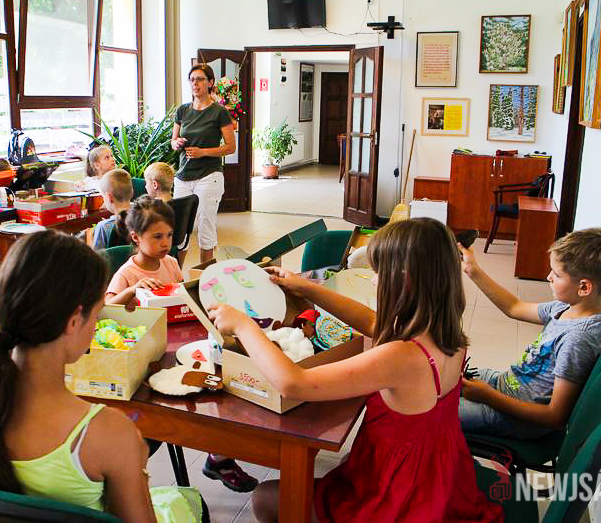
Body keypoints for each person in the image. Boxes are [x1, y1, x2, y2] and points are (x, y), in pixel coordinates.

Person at [207, 218, 502, 522]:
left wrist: (243, 326)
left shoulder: (401, 357)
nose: (374, 282)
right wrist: (307, 288)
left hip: (400, 498)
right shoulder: (445, 333)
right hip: (434, 477)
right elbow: (373, 322)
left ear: (406, 281)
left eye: (379, 273)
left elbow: (294, 383)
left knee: (264, 499)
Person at [0, 230, 204, 522]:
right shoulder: (109, 432)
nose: (97, 325)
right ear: (74, 322)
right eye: (97, 314)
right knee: (190, 501)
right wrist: (137, 472)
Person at [106, 195, 258, 493]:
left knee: (217, 384)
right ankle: (216, 456)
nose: (166, 243)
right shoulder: (127, 273)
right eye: (157, 237)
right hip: (149, 356)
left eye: (169, 235)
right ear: (136, 238)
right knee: (194, 394)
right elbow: (107, 307)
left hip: (182, 344)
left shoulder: (171, 263)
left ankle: (219, 455)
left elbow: (184, 297)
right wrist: (134, 290)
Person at [458, 228, 601, 439]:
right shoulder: (565, 308)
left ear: (584, 287)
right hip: (504, 386)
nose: (548, 277)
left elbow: (555, 416)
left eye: (557, 274)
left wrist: (488, 396)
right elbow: (514, 307)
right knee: (439, 380)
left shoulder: (578, 339)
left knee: (429, 413)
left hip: (514, 418)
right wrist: (473, 270)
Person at [170, 64, 236, 266]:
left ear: (210, 83)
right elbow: (173, 140)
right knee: (180, 229)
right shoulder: (182, 111)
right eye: (192, 79)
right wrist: (177, 143)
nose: (195, 83)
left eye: (200, 79)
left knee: (206, 226)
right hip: (183, 176)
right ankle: (176, 275)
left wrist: (203, 152)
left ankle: (205, 277)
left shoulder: (219, 112)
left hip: (209, 175)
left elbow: (231, 147)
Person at [91, 168, 133, 250]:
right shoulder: (142, 218)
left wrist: (89, 239)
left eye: (103, 196)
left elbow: (96, 256)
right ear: (132, 192)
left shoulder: (103, 227)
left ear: (109, 197)